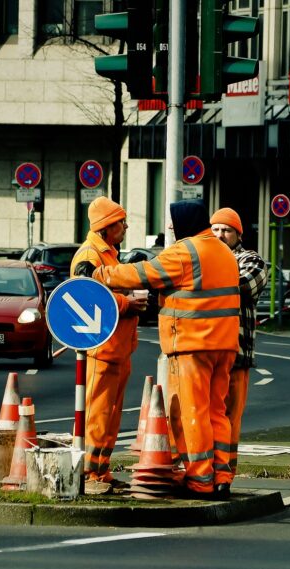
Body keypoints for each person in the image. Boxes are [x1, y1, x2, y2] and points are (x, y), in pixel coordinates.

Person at [81, 199, 240, 500]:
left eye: (173, 220)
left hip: (193, 344)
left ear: (185, 222)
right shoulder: (224, 252)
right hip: (225, 346)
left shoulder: (186, 251)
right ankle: (221, 476)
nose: (170, 226)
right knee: (217, 411)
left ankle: (200, 480)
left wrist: (100, 275)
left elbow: (144, 274)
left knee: (191, 413)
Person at [70, 196, 147, 494]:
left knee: (110, 415)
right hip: (102, 349)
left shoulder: (108, 254)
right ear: (106, 227)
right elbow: (86, 296)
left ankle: (100, 471)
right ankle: (90, 472)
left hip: (116, 349)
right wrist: (128, 303)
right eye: (121, 222)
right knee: (98, 414)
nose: (126, 226)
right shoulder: (89, 256)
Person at [210, 208, 267, 485]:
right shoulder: (206, 257)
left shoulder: (250, 259)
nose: (220, 235)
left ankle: (225, 474)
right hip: (206, 352)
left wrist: (205, 280)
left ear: (238, 235)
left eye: (226, 230)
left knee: (230, 417)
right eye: (216, 229)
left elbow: (243, 286)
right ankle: (203, 470)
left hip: (237, 354)